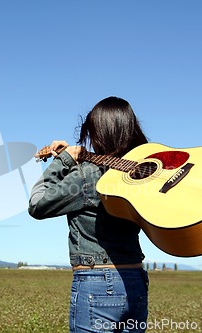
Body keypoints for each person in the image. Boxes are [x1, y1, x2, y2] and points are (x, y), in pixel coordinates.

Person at [28, 96, 149, 333]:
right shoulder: (142, 173)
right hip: (135, 280)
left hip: (96, 283)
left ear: (98, 133)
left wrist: (62, 162)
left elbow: (37, 204)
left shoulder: (88, 176)